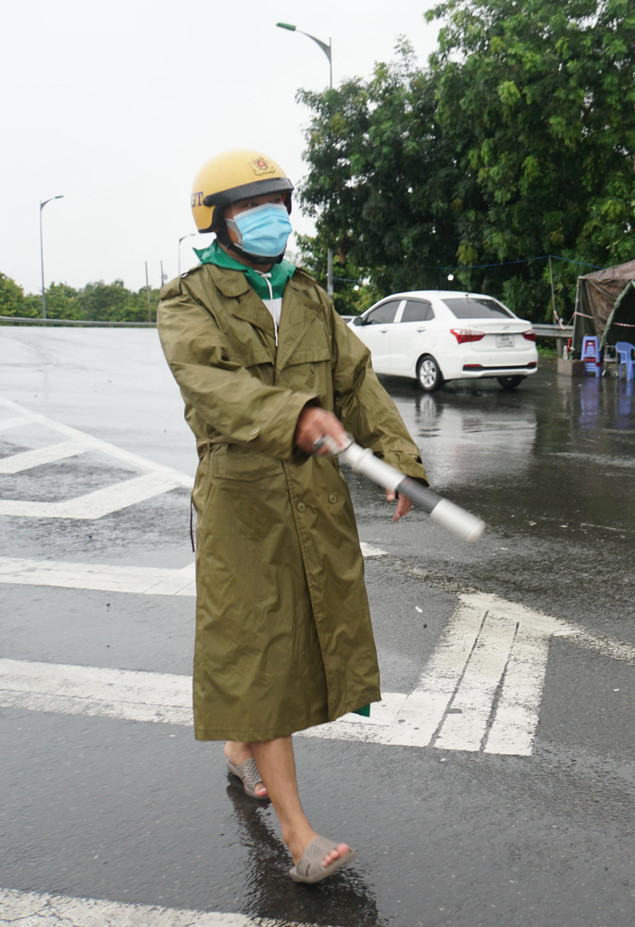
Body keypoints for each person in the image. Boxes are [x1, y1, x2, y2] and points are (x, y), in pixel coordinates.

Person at [157, 149, 428, 884]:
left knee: (291, 646)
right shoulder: (186, 301)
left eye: (277, 199)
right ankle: (297, 831)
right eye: (251, 204)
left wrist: (398, 456)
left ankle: (243, 749)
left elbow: (358, 379)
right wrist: (296, 414)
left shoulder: (306, 295)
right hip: (242, 506)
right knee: (262, 648)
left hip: (313, 498)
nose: (270, 215)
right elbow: (210, 385)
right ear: (215, 219)